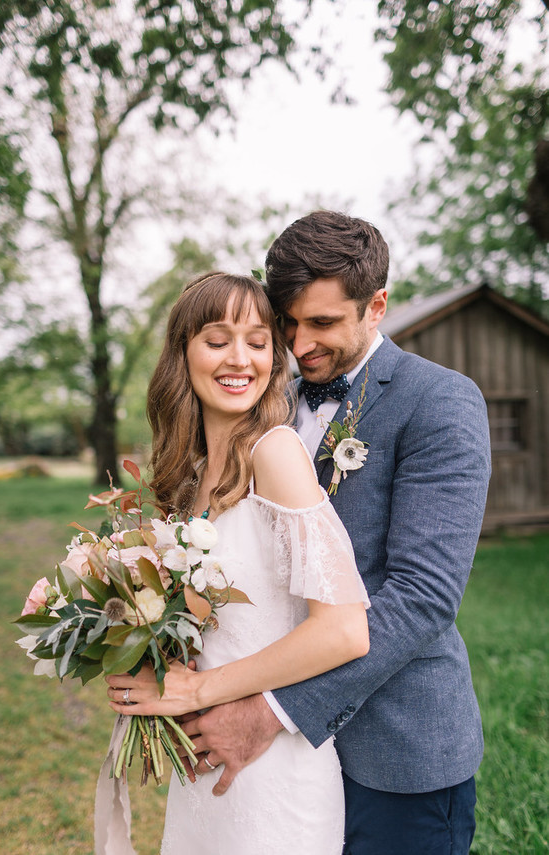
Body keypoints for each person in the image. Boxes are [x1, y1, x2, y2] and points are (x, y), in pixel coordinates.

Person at [172, 212, 492, 855]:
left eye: (321, 323)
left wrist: (271, 710)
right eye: (286, 323)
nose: (299, 343)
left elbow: (423, 597)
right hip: (281, 770)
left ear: (376, 305)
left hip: (394, 748)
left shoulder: (441, 402)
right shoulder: (267, 398)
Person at [105, 271, 371, 855]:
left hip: (275, 772)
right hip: (208, 768)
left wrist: (195, 694)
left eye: (257, 341)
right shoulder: (190, 479)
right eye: (218, 339)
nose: (240, 359)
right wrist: (143, 666)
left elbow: (345, 631)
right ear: (183, 352)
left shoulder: (275, 452)